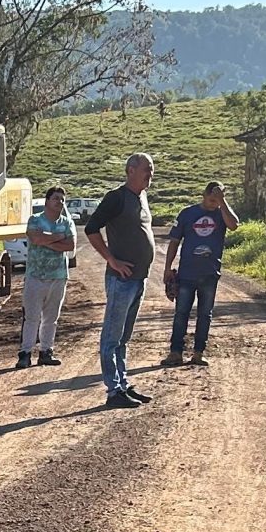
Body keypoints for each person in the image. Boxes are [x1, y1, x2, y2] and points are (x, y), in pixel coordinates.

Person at [82, 153, 157, 409]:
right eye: (147, 169)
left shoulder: (141, 197)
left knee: (124, 338)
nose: (151, 174)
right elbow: (91, 229)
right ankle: (113, 391)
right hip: (121, 280)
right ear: (131, 170)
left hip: (139, 279)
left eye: (152, 169)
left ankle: (123, 384)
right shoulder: (116, 198)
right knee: (111, 338)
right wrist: (111, 260)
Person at [162, 181, 236, 366]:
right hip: (187, 274)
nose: (213, 204)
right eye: (211, 200)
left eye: (217, 200)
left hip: (210, 274)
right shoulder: (187, 214)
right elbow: (174, 241)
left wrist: (223, 202)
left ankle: (198, 353)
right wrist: (167, 268)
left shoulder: (222, 213)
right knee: (181, 313)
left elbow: (234, 225)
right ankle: (175, 352)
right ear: (204, 195)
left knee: (205, 314)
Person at [17, 184, 75, 369]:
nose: (59, 202)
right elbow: (35, 239)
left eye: (62, 199)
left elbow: (70, 245)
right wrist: (58, 237)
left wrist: (46, 240)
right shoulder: (35, 220)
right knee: (31, 317)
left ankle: (46, 351)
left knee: (51, 318)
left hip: (58, 276)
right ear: (47, 201)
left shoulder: (67, 223)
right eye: (56, 198)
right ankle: (25, 353)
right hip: (35, 276)